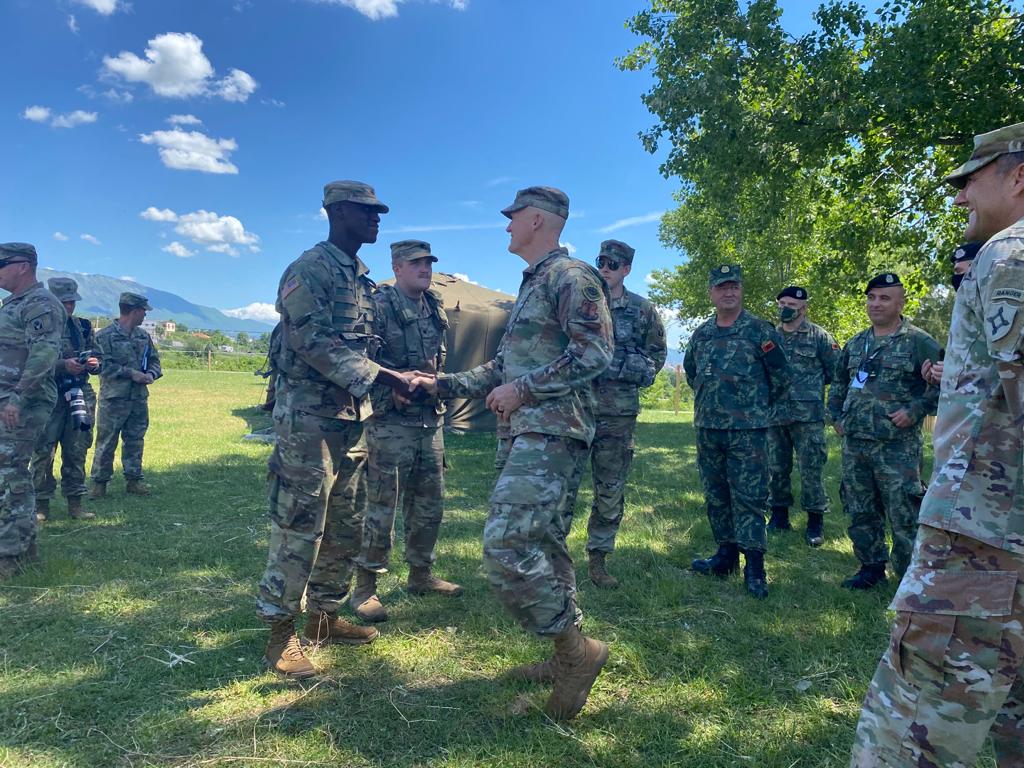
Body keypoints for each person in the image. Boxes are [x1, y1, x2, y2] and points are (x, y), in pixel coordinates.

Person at [850, 122, 1024, 767]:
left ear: (1018, 175)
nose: (958, 200)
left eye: (969, 182)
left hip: (984, 540)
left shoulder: (1010, 256)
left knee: (913, 731)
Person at [412, 186, 614, 721]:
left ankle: (578, 654)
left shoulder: (572, 278)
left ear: (540, 220)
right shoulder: (535, 284)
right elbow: (502, 368)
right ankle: (562, 657)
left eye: (513, 218)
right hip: (525, 432)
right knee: (544, 546)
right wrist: (438, 384)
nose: (506, 228)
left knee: (506, 545)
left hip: (552, 431)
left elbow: (595, 352)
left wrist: (523, 392)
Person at [256, 180, 420, 679]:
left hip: (351, 420)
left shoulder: (360, 280)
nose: (377, 220)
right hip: (308, 421)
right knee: (298, 526)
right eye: (367, 212)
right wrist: (386, 376)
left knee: (345, 524)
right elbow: (311, 342)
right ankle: (278, 637)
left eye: (379, 212)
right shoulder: (310, 270)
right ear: (338, 212)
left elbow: (361, 348)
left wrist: (383, 383)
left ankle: (323, 618)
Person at [351, 239, 462, 623]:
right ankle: (365, 587)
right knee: (381, 505)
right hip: (390, 422)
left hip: (429, 419)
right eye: (416, 263)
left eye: (428, 262)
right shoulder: (378, 305)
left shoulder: (434, 306)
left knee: (430, 504)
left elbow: (437, 358)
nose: (425, 269)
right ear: (397, 267)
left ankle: (421, 574)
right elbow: (359, 362)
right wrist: (390, 391)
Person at [684, 265, 790, 598]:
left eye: (734, 286)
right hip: (708, 429)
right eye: (722, 287)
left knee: (750, 497)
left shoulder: (760, 331)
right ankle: (725, 555)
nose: (729, 292)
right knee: (716, 495)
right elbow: (691, 372)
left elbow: (782, 377)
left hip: (748, 431)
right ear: (712, 293)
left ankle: (755, 566)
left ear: (741, 290)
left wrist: (756, 409)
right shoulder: (702, 334)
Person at [828, 273, 940, 589]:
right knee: (860, 508)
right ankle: (870, 567)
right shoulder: (857, 343)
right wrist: (835, 415)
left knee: (904, 512)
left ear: (901, 302)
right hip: (855, 443)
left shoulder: (920, 342)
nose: (875, 304)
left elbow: (946, 384)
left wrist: (914, 410)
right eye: (871, 297)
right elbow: (839, 382)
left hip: (897, 447)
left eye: (884, 298)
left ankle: (909, 578)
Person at [573, 239, 666, 588]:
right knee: (563, 486)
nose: (606, 267)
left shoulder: (642, 310)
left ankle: (598, 560)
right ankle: (553, 559)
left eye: (614, 263)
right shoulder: (580, 303)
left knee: (609, 489)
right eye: (602, 261)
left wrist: (628, 367)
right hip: (576, 409)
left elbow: (656, 355)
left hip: (618, 415)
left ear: (626, 269)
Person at [0, 243, 66, 579]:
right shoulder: (14, 303)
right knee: (9, 473)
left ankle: (9, 555)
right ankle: (24, 546)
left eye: (1, 263)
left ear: (23, 266)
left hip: (23, 403)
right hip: (9, 401)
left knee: (10, 475)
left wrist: (17, 398)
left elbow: (44, 355)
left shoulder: (41, 304)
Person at [766, 286, 839, 547]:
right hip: (776, 415)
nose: (785, 308)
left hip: (808, 417)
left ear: (804, 308)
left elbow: (835, 372)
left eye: (792, 304)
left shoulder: (819, 336)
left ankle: (815, 521)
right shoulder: (770, 337)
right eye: (782, 303)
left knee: (811, 470)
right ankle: (779, 516)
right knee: (777, 468)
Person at [31, 277, 101, 521]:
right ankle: (41, 506)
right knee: (43, 451)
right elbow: (30, 363)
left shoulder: (82, 327)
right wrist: (62, 365)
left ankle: (75, 504)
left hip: (79, 397)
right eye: (64, 302)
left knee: (77, 450)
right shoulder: (38, 326)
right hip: (48, 396)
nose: (68, 307)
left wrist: (93, 364)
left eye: (71, 302)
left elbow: (98, 358)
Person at [89, 292, 162, 498]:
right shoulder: (104, 336)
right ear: (134, 311)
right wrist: (131, 374)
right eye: (143, 312)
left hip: (138, 398)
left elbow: (155, 361)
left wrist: (150, 374)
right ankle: (99, 483)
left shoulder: (143, 336)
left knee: (135, 439)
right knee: (106, 441)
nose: (144, 317)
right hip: (113, 399)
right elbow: (101, 365)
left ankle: (133, 479)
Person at [921, 241, 983, 387]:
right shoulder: (961, 312)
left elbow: (1009, 365)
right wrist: (938, 376)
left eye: (967, 272)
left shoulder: (999, 308)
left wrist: (957, 372)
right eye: (957, 272)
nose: (960, 277)